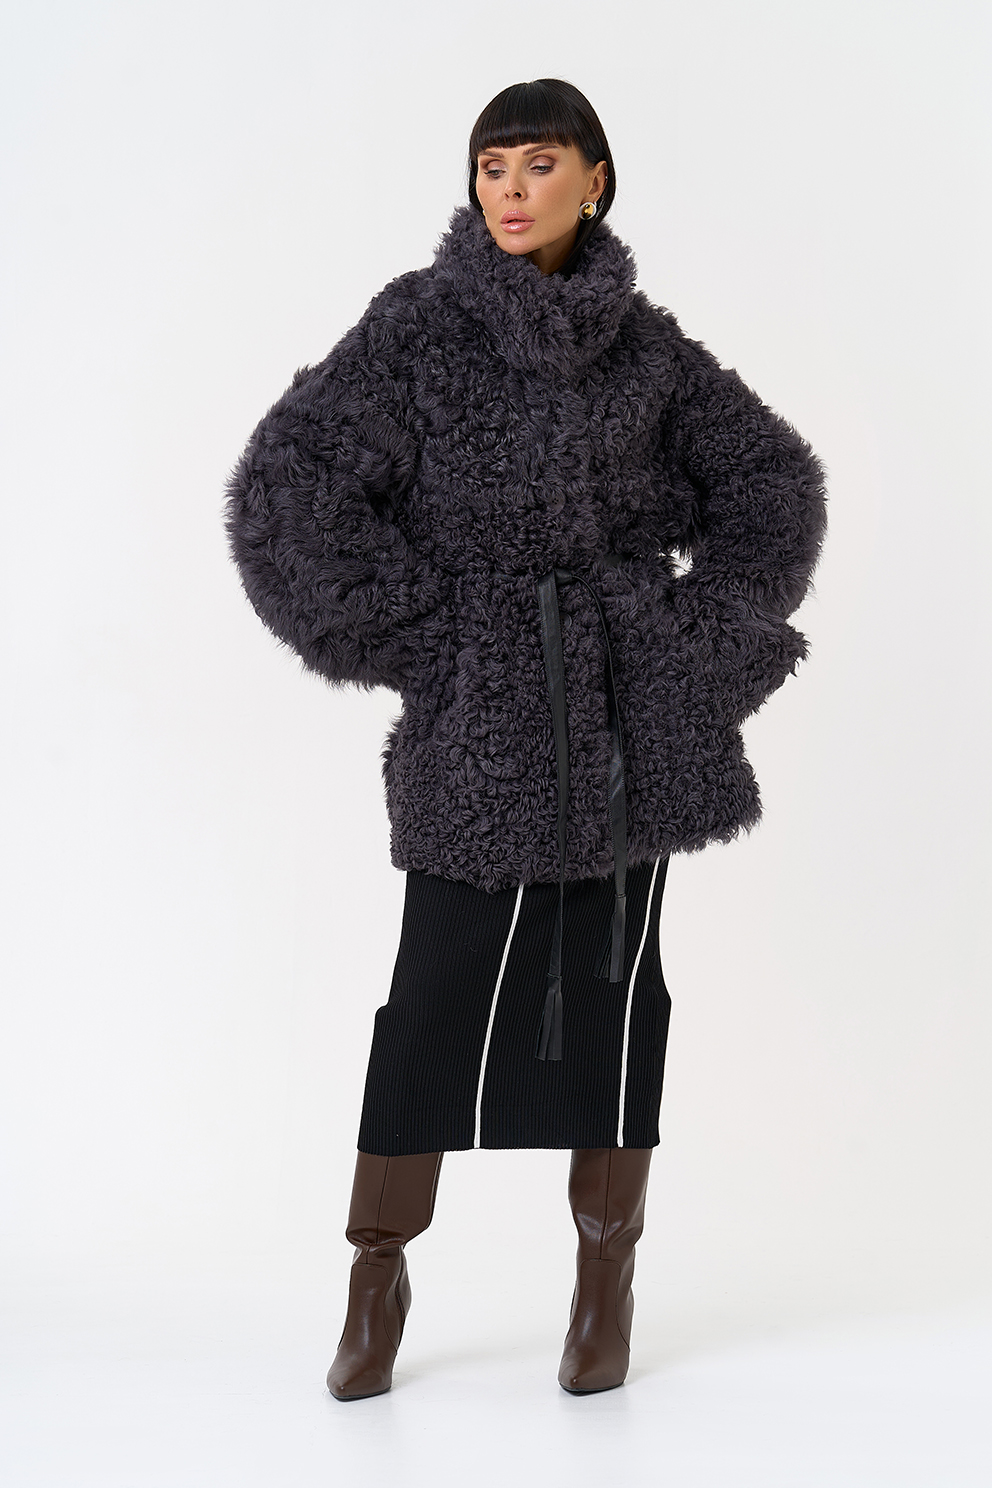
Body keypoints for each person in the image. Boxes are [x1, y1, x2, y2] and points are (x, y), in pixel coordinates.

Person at [224, 77, 827, 1400]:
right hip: (476, 722)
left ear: (594, 180)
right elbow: (288, 486)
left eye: (537, 163)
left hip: (622, 730)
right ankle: (376, 1276)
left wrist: (693, 644)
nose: (509, 188)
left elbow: (772, 482)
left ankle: (605, 1284)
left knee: (617, 997)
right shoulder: (419, 327)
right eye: (491, 165)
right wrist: (430, 638)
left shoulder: (647, 351)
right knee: (432, 1001)